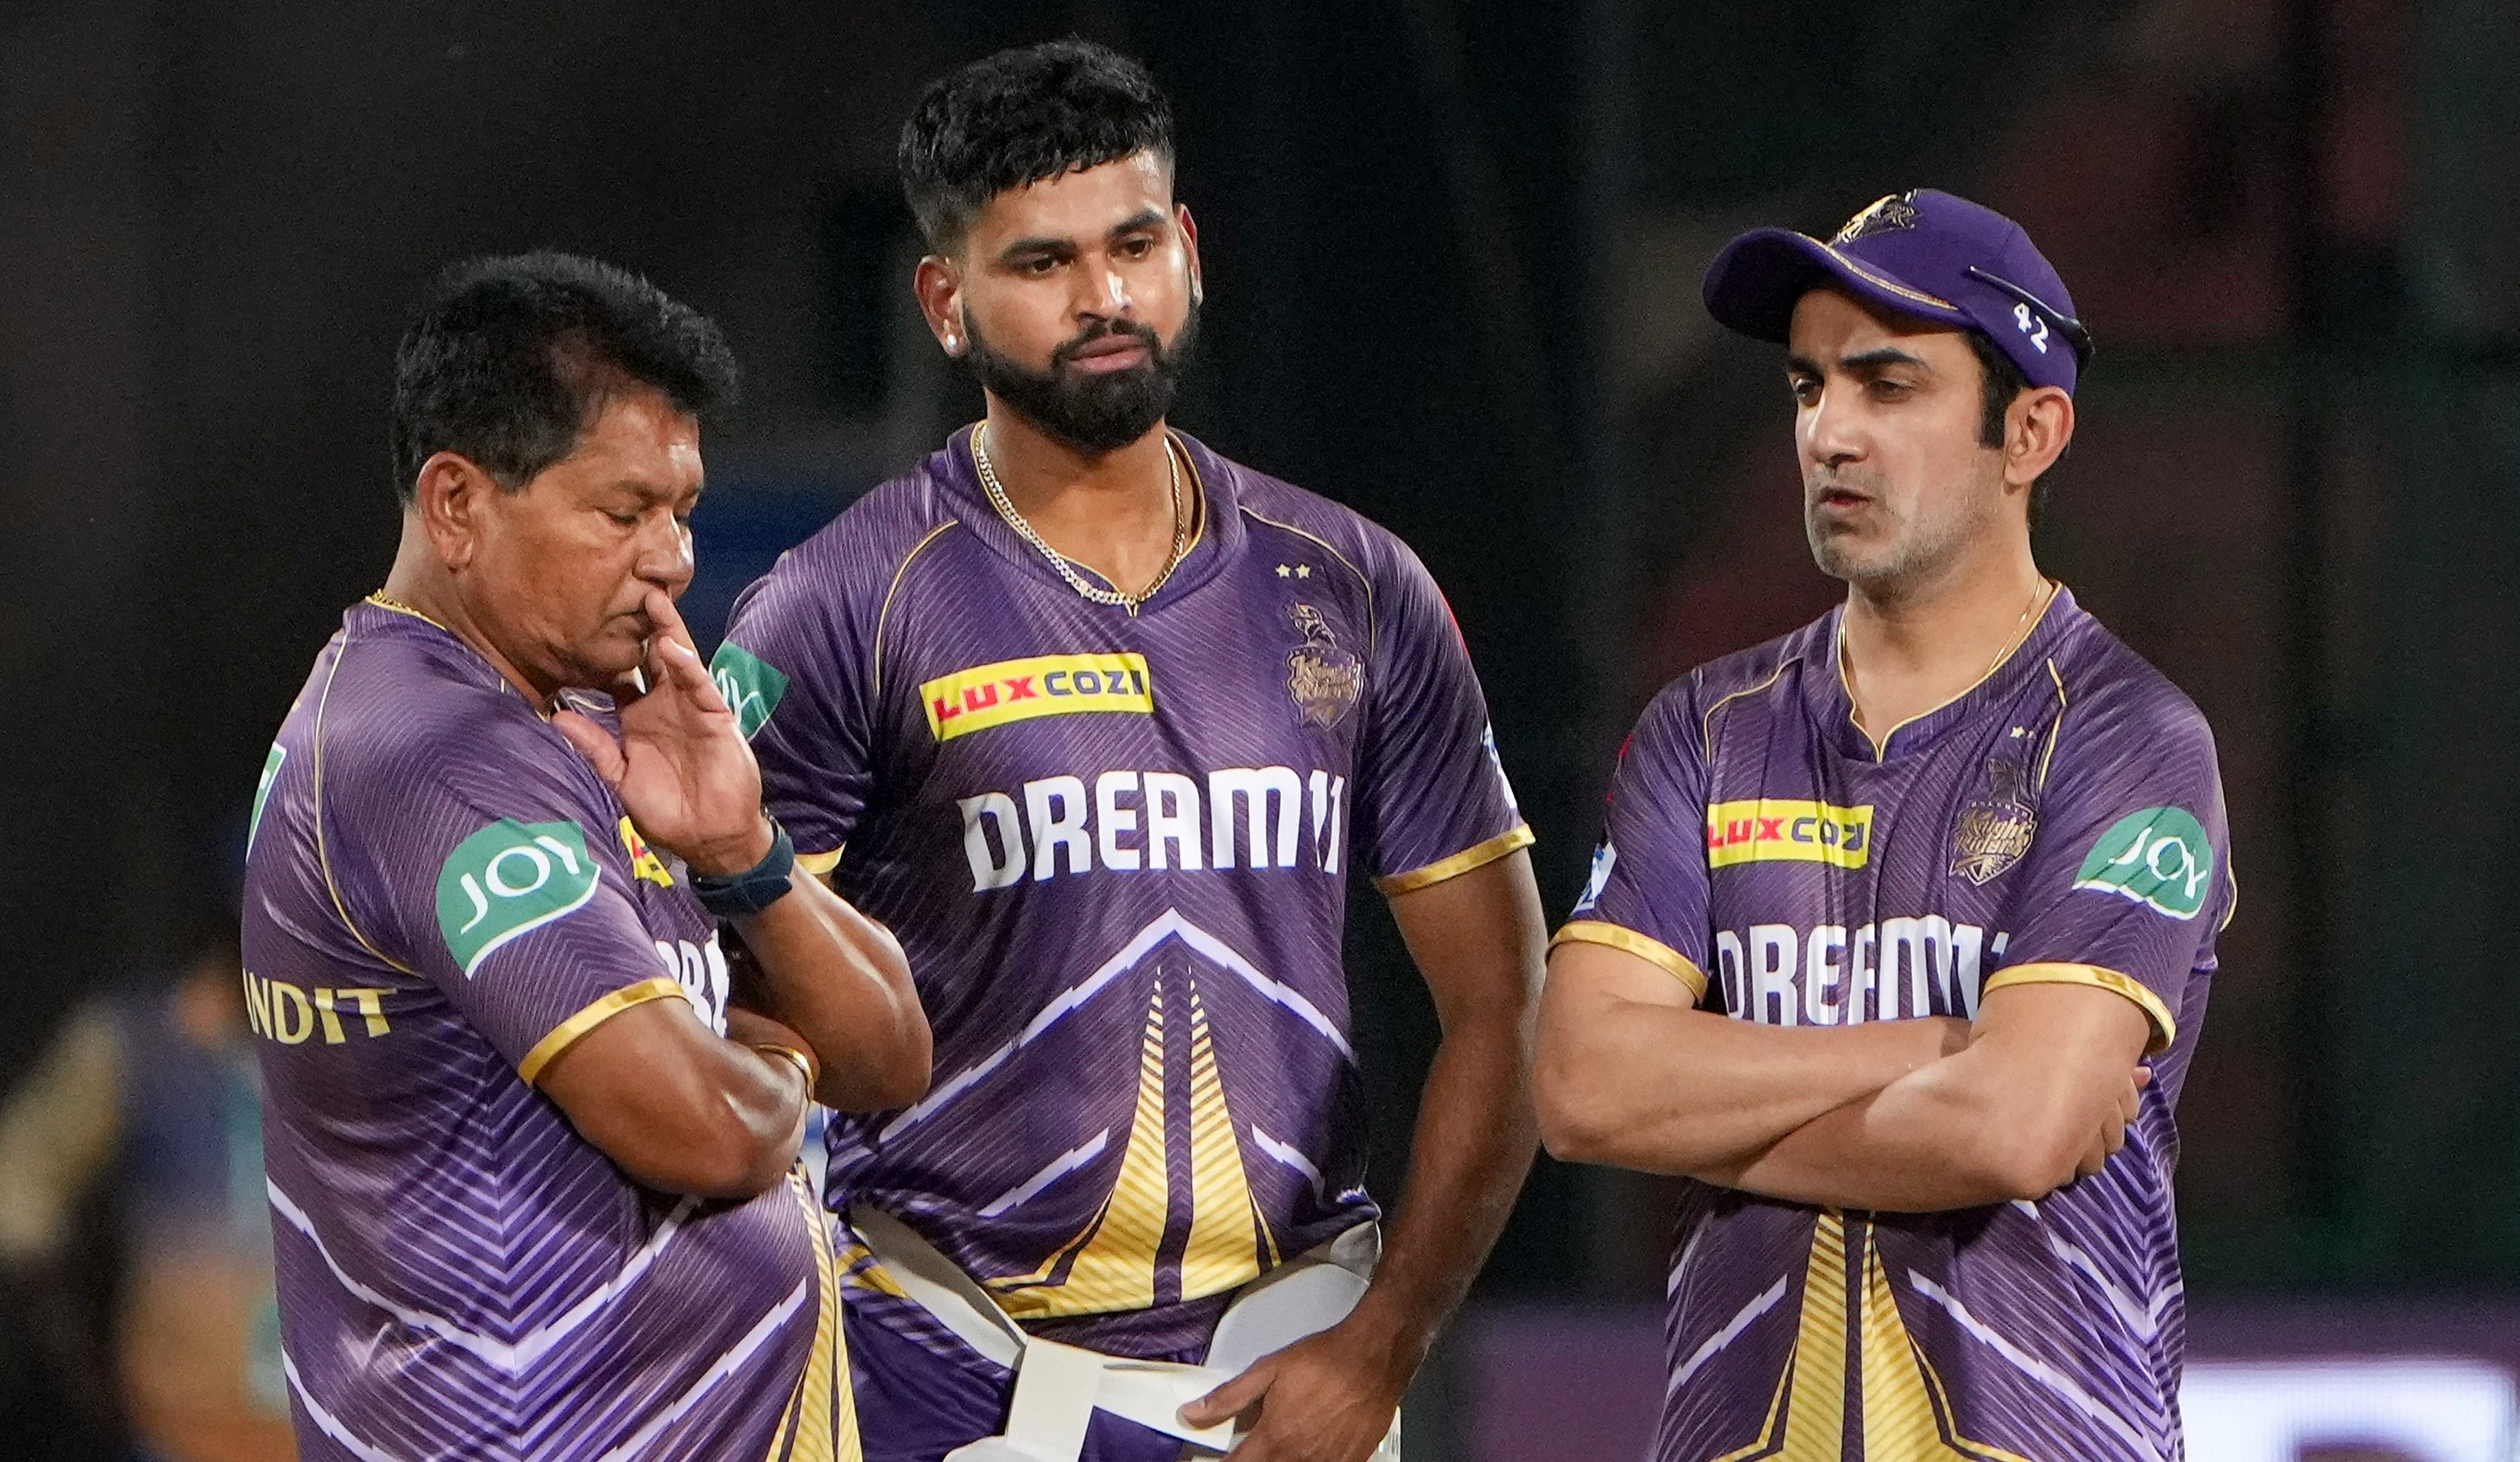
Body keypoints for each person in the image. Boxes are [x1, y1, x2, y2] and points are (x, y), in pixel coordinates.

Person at [716, 40, 1546, 1462]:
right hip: (943, 1364)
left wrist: (1386, 1338)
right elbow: (732, 1037)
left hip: (1295, 1375)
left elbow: (1507, 996)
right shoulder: (839, 601)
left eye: (1134, 242)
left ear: (1190, 248)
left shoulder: (1352, 582)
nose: (1103, 297)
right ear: (944, 302)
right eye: (1040, 262)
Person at [1535, 189, 2232, 1461]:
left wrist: (1702, 1111)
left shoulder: (2130, 734)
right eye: (1809, 388)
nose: (1828, 436)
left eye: (1888, 387)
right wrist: (1933, 1045)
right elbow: (1581, 1088)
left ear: (2030, 432)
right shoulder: (1705, 728)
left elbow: (2014, 1127)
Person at [238, 251, 930, 1461]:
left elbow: (887, 1056)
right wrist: (773, 1064)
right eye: (624, 513)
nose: (671, 560)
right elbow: (707, 1128)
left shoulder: (590, 722)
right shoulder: (425, 755)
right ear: (457, 504)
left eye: (684, 512)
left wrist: (743, 852)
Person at [0, 932, 295, 1462]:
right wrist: (71, 1332)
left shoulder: (365, 1034)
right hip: (182, 1426)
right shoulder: (139, 1041)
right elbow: (14, 1185)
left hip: (338, 1425)